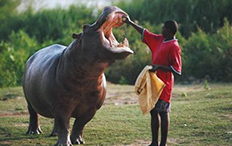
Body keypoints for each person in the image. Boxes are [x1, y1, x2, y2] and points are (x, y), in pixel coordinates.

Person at [122, 16, 182, 146]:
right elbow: (145, 32)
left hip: (164, 85)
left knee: (164, 113)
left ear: (170, 31)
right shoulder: (160, 40)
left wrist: (160, 67)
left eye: (164, 28)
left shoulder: (174, 46)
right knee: (153, 112)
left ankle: (163, 144)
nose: (161, 29)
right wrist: (130, 22)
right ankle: (154, 142)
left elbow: (177, 69)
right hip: (153, 83)